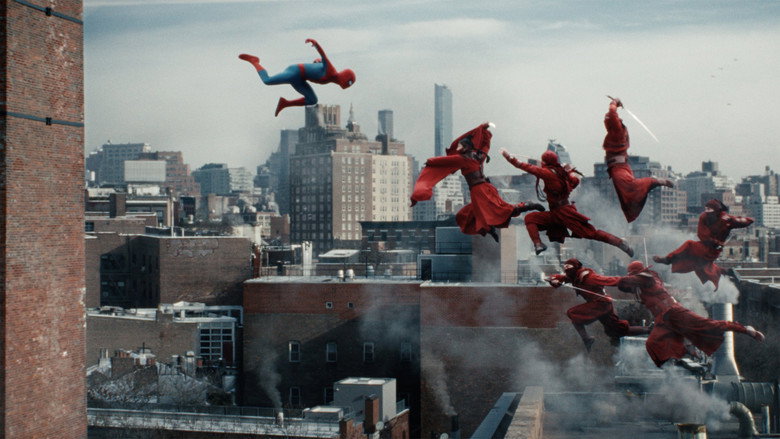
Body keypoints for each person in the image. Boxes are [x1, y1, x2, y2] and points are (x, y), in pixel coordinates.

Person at [410, 123, 544, 242]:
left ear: (466, 147)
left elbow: (442, 161)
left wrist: (430, 161)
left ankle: (528, 205)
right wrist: (485, 133)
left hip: (479, 191)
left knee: (499, 210)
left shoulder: (462, 159)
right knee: (467, 214)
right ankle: (489, 229)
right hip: (484, 188)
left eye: (460, 145)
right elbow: (485, 147)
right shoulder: (478, 156)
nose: (458, 148)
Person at [617, 261, 764, 368]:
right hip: (664, 319)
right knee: (652, 345)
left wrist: (610, 280)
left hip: (674, 312)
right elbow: (625, 286)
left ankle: (745, 329)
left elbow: (625, 282)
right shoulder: (642, 288)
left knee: (710, 325)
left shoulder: (649, 279)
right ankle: (678, 359)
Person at [501, 147, 633, 256]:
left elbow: (525, 166)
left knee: (591, 233)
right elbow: (575, 182)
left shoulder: (548, 173)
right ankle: (538, 244)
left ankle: (619, 242)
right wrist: (570, 172)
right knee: (530, 218)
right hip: (557, 212)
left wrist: (508, 156)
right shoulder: (561, 173)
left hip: (563, 213)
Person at [548, 258, 650, 352]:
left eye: (568, 267)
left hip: (601, 304)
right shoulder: (575, 277)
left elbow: (610, 280)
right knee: (615, 330)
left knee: (572, 313)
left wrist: (632, 280)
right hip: (602, 305)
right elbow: (561, 278)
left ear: (576, 267)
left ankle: (586, 339)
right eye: (565, 267)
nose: (566, 269)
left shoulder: (589, 277)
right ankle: (649, 330)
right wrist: (553, 279)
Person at [653, 199, 754, 290]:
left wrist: (746, 221)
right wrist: (712, 241)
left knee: (689, 244)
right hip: (706, 246)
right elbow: (701, 233)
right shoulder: (703, 217)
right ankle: (727, 271)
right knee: (701, 266)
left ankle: (668, 259)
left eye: (710, 210)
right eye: (706, 209)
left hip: (714, 250)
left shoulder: (726, 219)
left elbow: (744, 221)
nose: (707, 212)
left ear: (716, 210)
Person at [239, 38, 355, 116]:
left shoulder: (331, 77)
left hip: (300, 80)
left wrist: (316, 63)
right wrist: (315, 44)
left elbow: (319, 61)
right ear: (344, 78)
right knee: (267, 80)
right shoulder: (331, 71)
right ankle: (254, 61)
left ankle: (284, 103)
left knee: (313, 100)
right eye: (348, 83)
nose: (345, 85)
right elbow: (323, 56)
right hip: (295, 72)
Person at [602, 97, 674, 222]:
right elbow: (609, 117)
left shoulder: (617, 131)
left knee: (631, 187)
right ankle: (653, 184)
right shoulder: (615, 131)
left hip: (619, 168)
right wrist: (614, 105)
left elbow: (611, 115)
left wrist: (614, 103)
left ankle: (656, 182)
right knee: (625, 193)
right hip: (618, 167)